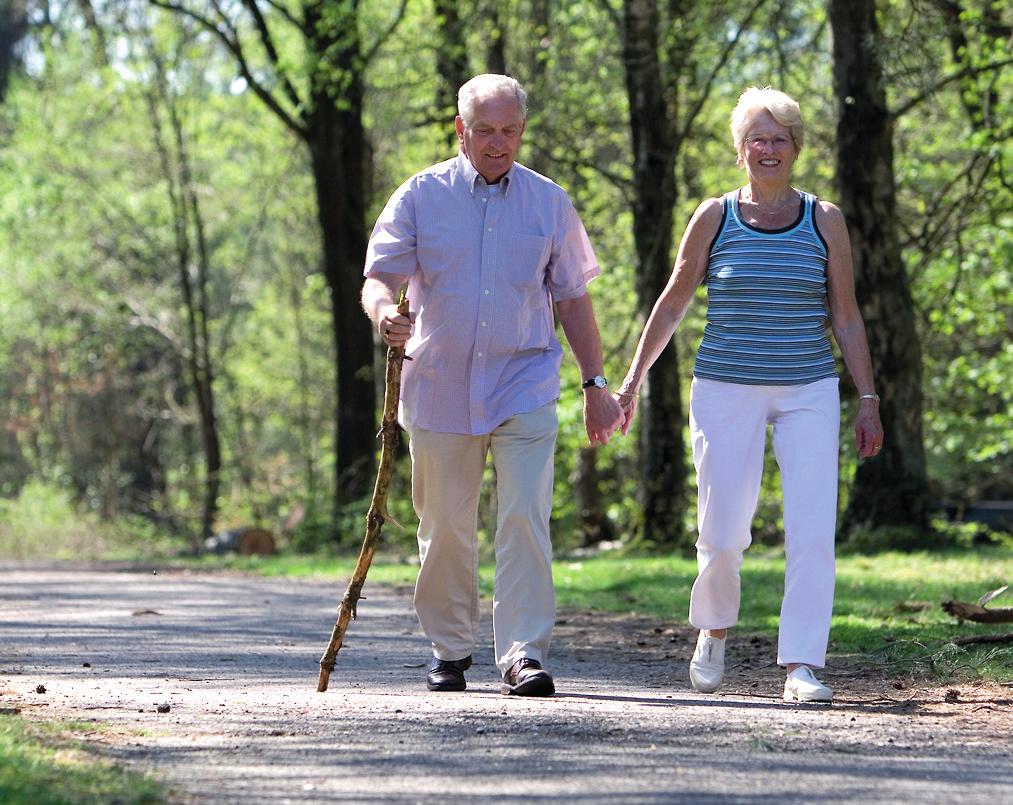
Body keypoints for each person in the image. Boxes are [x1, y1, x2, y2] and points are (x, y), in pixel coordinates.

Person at [616, 87, 884, 703]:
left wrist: (867, 397)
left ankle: (802, 665)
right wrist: (632, 381)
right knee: (723, 528)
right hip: (724, 387)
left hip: (808, 387)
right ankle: (712, 627)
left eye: (780, 138)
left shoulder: (825, 219)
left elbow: (845, 316)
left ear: (795, 149)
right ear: (740, 152)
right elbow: (674, 301)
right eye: (757, 139)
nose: (769, 149)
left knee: (813, 527)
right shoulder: (714, 217)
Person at [361, 74, 624, 697]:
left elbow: (573, 299)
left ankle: (523, 653)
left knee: (525, 518)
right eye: (485, 130)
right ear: (462, 131)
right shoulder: (420, 196)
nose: (498, 142)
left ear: (522, 130)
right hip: (439, 386)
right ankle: (450, 648)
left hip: (524, 381)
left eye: (509, 130)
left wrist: (595, 382)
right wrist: (383, 315)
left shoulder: (549, 203)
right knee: (446, 525)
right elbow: (378, 277)